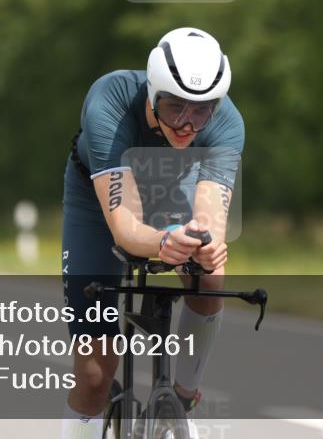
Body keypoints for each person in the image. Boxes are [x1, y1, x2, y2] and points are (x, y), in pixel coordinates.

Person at [61, 28, 244, 439]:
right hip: (99, 203)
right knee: (95, 373)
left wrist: (205, 245)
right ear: (152, 93)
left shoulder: (227, 122)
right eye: (175, 107)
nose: (187, 123)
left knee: (209, 274)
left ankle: (182, 399)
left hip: (170, 192)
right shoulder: (110, 100)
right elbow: (125, 225)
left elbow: (209, 216)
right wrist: (163, 242)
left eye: (201, 111)